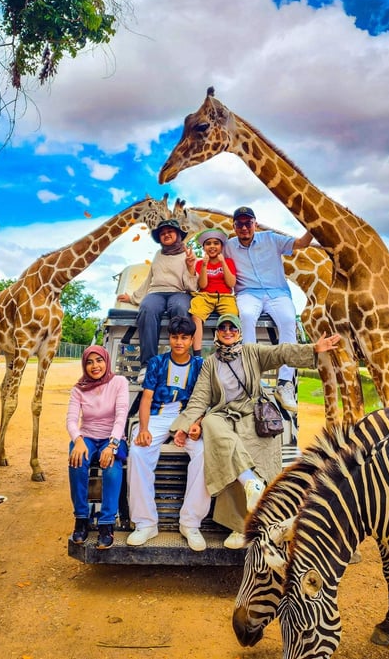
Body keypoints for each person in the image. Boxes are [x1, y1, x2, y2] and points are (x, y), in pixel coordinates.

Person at [171, 313, 340, 549]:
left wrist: (313, 348)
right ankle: (250, 483)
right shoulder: (211, 363)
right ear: (217, 334)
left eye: (232, 328)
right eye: (223, 328)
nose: (228, 331)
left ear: (239, 332)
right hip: (224, 414)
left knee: (240, 450)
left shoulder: (252, 352)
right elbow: (200, 398)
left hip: (252, 414)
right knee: (210, 424)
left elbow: (281, 352)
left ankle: (240, 527)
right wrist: (184, 426)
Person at [126, 316, 211, 551]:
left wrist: (196, 424)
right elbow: (147, 398)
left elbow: (204, 400)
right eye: (175, 337)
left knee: (204, 452)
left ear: (192, 339)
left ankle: (190, 523)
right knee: (138, 450)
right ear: (169, 338)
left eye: (184, 337)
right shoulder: (157, 363)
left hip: (188, 417)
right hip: (158, 417)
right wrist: (143, 429)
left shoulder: (199, 366)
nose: (179, 342)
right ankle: (146, 523)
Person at [224, 206, 313, 413]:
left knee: (289, 321)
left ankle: (284, 383)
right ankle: (251, 377)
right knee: (245, 317)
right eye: (240, 224)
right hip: (248, 293)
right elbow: (211, 255)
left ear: (255, 223)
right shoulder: (228, 246)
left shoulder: (271, 239)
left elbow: (301, 243)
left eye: (248, 223)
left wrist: (313, 226)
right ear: (234, 226)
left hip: (277, 293)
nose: (244, 227)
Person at [117, 218, 197, 383]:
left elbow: (192, 286)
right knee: (147, 309)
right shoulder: (158, 255)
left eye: (170, 232)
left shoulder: (187, 254)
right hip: (157, 292)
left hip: (179, 291)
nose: (166, 235)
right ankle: (148, 365)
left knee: (180, 309)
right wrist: (132, 297)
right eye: (163, 233)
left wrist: (190, 267)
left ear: (178, 234)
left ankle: (179, 363)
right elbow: (149, 279)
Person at [66, 345, 129, 549]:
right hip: (88, 437)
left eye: (99, 360)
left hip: (112, 437)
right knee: (76, 461)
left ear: (106, 361)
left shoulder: (119, 382)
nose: (95, 366)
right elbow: (71, 420)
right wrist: (77, 440)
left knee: (112, 469)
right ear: (84, 365)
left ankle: (106, 523)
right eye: (89, 362)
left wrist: (112, 445)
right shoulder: (79, 388)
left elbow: (121, 416)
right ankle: (81, 518)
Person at [189, 227, 238, 356]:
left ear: (221, 247)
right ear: (204, 247)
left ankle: (228, 350)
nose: (212, 246)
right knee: (196, 315)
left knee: (231, 317)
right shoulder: (200, 263)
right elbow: (202, 285)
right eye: (208, 243)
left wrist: (223, 264)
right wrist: (204, 266)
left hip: (225, 296)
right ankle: (197, 353)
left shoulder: (228, 261)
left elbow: (231, 283)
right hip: (205, 295)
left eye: (216, 243)